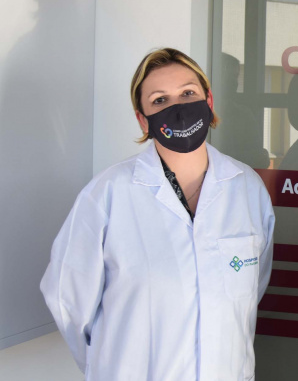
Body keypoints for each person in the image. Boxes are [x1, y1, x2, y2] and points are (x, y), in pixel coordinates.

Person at [40, 48, 275, 380]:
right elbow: (67, 302)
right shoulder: (108, 194)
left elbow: (251, 292)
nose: (178, 108)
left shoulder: (248, 189)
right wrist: (111, 363)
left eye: (188, 93)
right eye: (160, 100)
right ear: (142, 119)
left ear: (208, 102)